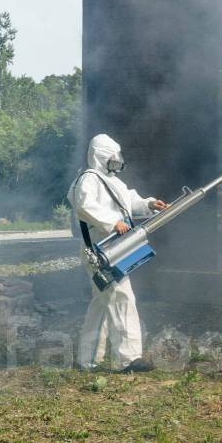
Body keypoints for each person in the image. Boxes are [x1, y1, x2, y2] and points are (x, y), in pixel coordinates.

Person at [68, 133, 168, 372]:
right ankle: (128, 359)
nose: (117, 161)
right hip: (99, 250)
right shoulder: (89, 179)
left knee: (103, 303)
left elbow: (128, 200)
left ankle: (87, 359)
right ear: (101, 156)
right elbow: (84, 206)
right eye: (113, 157)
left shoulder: (111, 180)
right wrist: (113, 223)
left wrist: (149, 203)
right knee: (122, 297)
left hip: (112, 248)